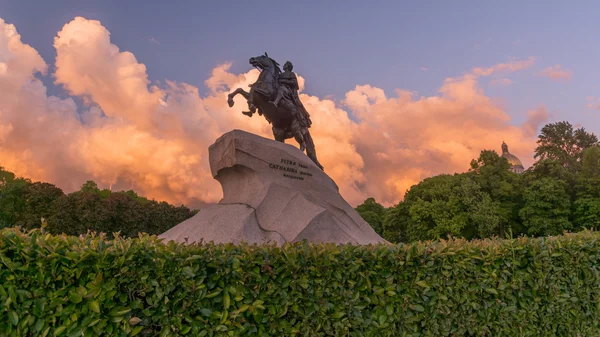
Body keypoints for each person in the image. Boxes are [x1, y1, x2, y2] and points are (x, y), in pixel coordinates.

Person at [270, 61, 312, 128]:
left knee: (282, 89)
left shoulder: (291, 74)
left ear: (288, 66)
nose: (283, 65)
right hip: (279, 88)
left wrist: (283, 81)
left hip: (287, 90)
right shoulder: (280, 75)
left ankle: (275, 102)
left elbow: (295, 84)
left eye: (285, 64)